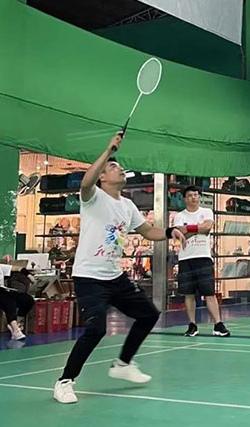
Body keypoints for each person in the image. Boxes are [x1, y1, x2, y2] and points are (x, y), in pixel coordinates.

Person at [54, 132, 187, 404]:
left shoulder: (127, 205)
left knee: (149, 315)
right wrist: (108, 151)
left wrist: (170, 231)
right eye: (113, 167)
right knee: (96, 329)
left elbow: (148, 231)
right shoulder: (92, 198)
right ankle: (65, 381)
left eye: (119, 165)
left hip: (115, 277)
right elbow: (86, 181)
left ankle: (123, 364)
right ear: (102, 177)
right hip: (89, 277)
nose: (120, 168)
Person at [174, 185, 230, 337]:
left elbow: (207, 227)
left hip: (203, 258)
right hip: (186, 259)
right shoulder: (179, 216)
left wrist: (188, 229)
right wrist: (198, 229)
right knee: (189, 294)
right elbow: (180, 235)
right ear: (184, 199)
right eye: (190, 195)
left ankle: (218, 324)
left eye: (196, 195)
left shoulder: (206, 212)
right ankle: (192, 325)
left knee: (209, 293)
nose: (194, 197)